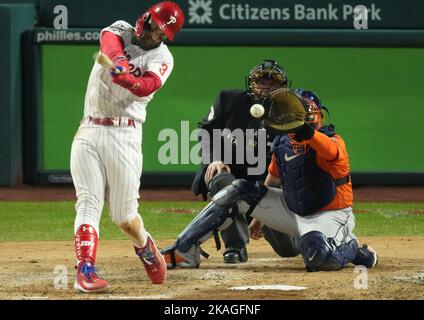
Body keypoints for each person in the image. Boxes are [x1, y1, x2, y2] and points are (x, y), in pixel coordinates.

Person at [161, 89, 378, 272]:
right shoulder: (282, 143)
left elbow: (329, 151)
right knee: (239, 189)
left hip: (328, 215)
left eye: (299, 115)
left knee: (319, 259)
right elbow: (272, 179)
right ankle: (184, 250)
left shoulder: (332, 140)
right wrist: (259, 215)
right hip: (292, 209)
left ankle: (353, 248)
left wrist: (307, 133)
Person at [70, 1, 184, 292]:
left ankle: (144, 244)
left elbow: (147, 86)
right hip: (90, 128)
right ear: (144, 19)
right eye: (154, 27)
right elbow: (109, 43)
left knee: (124, 217)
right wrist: (118, 59)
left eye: (162, 33)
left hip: (125, 135)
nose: (155, 35)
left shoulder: (164, 57)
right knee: (88, 202)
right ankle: (85, 269)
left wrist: (130, 80)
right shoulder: (121, 29)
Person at [190, 60, 296, 264]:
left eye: (273, 84)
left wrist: (261, 216)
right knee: (220, 178)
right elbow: (206, 130)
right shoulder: (229, 100)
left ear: (283, 88)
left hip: (269, 185)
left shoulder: (290, 112)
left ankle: (295, 237)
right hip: (233, 176)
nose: (266, 87)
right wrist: (215, 158)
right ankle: (235, 246)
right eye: (261, 82)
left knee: (289, 250)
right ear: (251, 83)